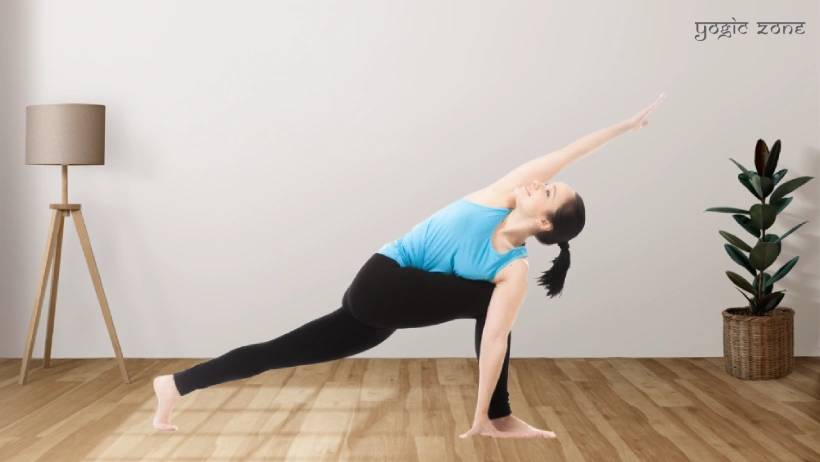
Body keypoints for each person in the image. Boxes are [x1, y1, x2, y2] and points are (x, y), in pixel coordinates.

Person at [152, 93, 666, 439]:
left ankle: (176, 385)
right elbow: (566, 152)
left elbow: (493, 344)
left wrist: (479, 411)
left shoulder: (514, 267)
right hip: (379, 281)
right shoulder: (499, 196)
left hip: (381, 318)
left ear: (546, 225)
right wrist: (625, 126)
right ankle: (501, 415)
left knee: (279, 352)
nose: (539, 183)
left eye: (548, 192)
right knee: (493, 306)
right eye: (546, 181)